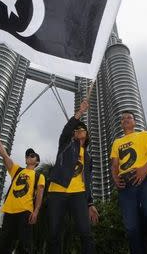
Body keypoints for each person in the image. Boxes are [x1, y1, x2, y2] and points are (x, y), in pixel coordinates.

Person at [47, 99, 99, 254]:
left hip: (79, 195)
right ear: (73, 133)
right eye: (77, 129)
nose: (79, 130)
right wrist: (80, 112)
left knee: (86, 232)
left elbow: (88, 182)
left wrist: (90, 204)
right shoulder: (65, 145)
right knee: (54, 233)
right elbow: (67, 129)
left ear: (87, 134)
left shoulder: (88, 158)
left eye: (82, 128)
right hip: (57, 192)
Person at [110, 110, 147, 254]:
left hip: (145, 178)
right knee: (131, 227)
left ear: (134, 122)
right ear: (121, 124)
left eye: (129, 117)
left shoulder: (144, 135)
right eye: (123, 118)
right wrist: (115, 178)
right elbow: (114, 165)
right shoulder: (117, 142)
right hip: (125, 185)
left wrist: (144, 169)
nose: (126, 119)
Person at [0, 129, 45, 253]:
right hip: (9, 211)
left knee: (25, 246)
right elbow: (4, 155)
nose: (28, 157)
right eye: (27, 155)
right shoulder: (17, 170)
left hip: (25, 212)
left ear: (37, 161)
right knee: (3, 245)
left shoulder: (38, 176)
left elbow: (40, 195)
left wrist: (36, 211)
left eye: (32, 155)